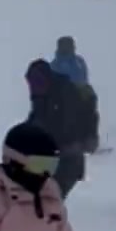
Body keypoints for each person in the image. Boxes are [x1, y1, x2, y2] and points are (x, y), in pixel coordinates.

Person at [25, 58, 93, 199]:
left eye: (37, 82)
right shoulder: (41, 96)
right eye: (32, 83)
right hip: (48, 155)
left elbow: (69, 125)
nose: (34, 87)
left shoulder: (66, 93)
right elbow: (36, 119)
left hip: (68, 157)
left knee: (50, 197)